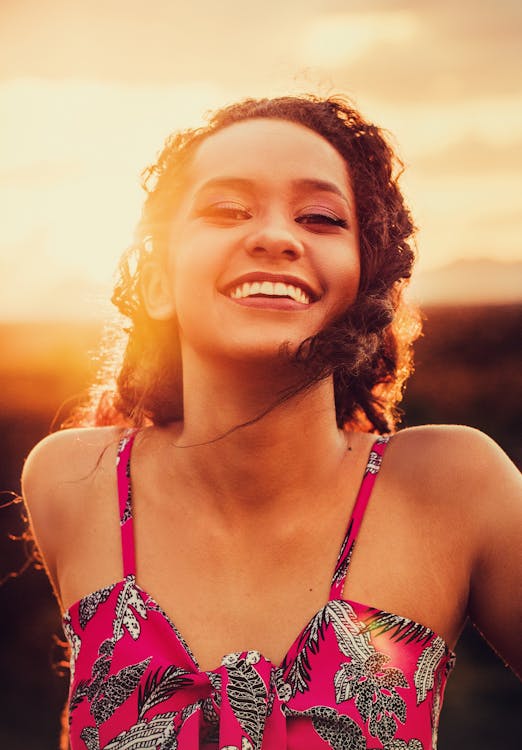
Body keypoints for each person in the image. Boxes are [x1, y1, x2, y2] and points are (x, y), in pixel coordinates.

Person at [22, 95, 521, 750]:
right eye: (227, 209)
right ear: (156, 282)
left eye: (320, 217)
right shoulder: (71, 483)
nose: (276, 236)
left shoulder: (452, 489)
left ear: (369, 285)